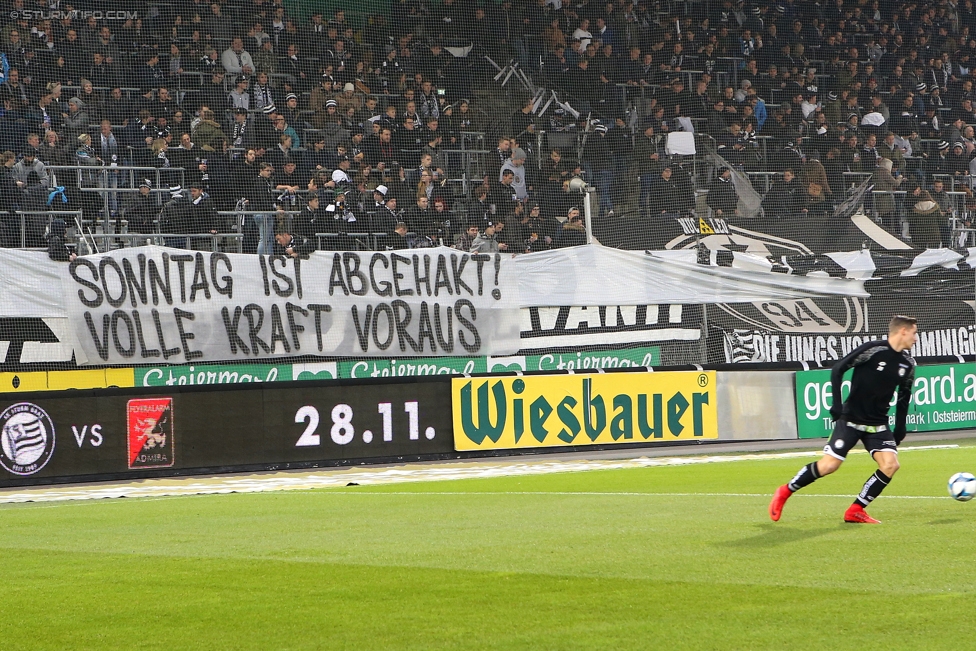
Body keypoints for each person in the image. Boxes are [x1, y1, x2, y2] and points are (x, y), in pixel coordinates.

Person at [769, 315, 918, 524]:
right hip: (851, 419)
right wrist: (837, 404)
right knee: (830, 465)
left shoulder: (908, 364)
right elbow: (839, 369)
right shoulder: (873, 350)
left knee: (891, 465)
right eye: (914, 333)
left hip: (877, 423)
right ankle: (785, 491)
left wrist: (900, 427)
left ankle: (856, 510)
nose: (915, 338)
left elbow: (904, 396)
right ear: (903, 331)